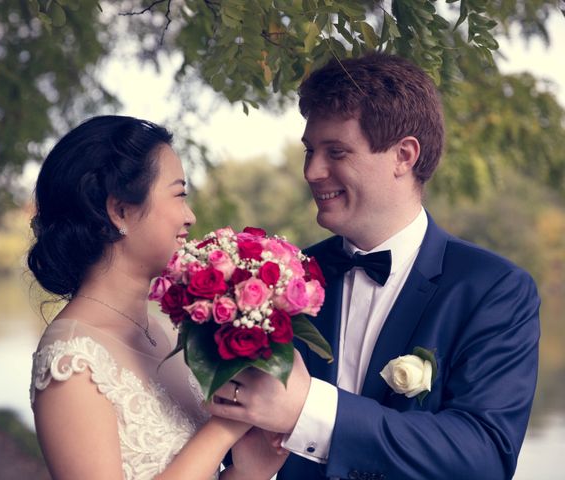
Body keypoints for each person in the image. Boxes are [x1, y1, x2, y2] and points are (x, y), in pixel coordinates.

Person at [208, 53, 541, 479]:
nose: (312, 170)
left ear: (404, 155)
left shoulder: (494, 289)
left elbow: (485, 458)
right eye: (310, 151)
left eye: (336, 152)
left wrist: (309, 410)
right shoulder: (278, 281)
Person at [27, 115, 287, 480]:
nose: (190, 216)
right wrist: (227, 423)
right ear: (119, 211)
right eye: (179, 194)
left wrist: (248, 471)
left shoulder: (162, 330)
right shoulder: (71, 360)